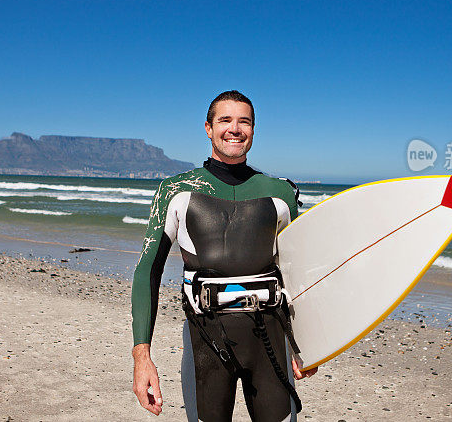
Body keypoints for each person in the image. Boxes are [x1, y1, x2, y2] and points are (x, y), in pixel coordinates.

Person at [131, 90, 317, 422]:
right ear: (208, 128)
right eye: (225, 120)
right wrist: (142, 357)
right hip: (205, 341)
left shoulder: (280, 193)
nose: (234, 129)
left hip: (271, 341)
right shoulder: (175, 191)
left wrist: (310, 344)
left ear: (253, 129)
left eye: (243, 121)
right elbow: (148, 272)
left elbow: (298, 271)